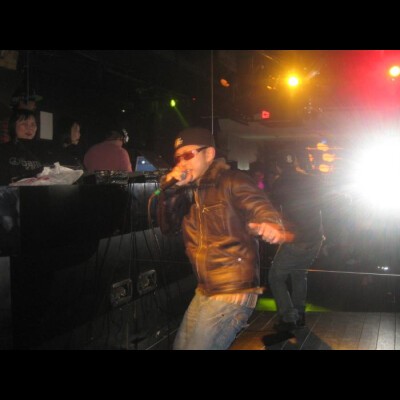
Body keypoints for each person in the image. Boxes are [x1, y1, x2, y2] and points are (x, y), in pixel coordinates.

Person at [157, 127, 286, 350]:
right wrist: (171, 192)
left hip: (232, 289)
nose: (182, 162)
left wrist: (269, 223)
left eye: (189, 155)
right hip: (206, 288)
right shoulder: (187, 190)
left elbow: (259, 207)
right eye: (178, 158)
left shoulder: (232, 180)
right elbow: (168, 228)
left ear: (209, 154)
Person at [268, 151, 325, 332]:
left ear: (278, 166)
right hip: (315, 238)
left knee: (275, 277)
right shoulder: (311, 179)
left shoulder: (280, 183)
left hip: (296, 240)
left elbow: (271, 209)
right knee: (299, 275)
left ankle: (288, 317)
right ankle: (299, 314)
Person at [0, 109, 43, 185]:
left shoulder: (41, 150)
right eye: (24, 124)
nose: (30, 128)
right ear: (13, 126)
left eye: (33, 124)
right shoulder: (3, 150)